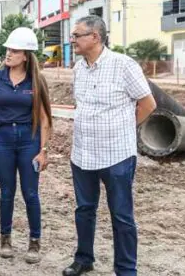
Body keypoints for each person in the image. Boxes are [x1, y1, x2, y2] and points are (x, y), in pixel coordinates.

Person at [62, 16, 157, 276]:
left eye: (77, 35)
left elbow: (148, 104)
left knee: (122, 216)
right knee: (84, 210)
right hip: (82, 154)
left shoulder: (123, 65)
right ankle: (84, 259)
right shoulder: (78, 68)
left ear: (95, 37)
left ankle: (126, 269)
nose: (73, 40)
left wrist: (124, 129)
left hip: (116, 156)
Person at [0, 27, 52, 263]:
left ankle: (34, 242)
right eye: (8, 49)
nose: (8, 53)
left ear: (25, 55)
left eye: (14, 50)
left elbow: (44, 118)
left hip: (28, 142)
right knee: (7, 192)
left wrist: (43, 150)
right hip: (1, 140)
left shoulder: (36, 81)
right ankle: (6, 239)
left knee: (31, 193)